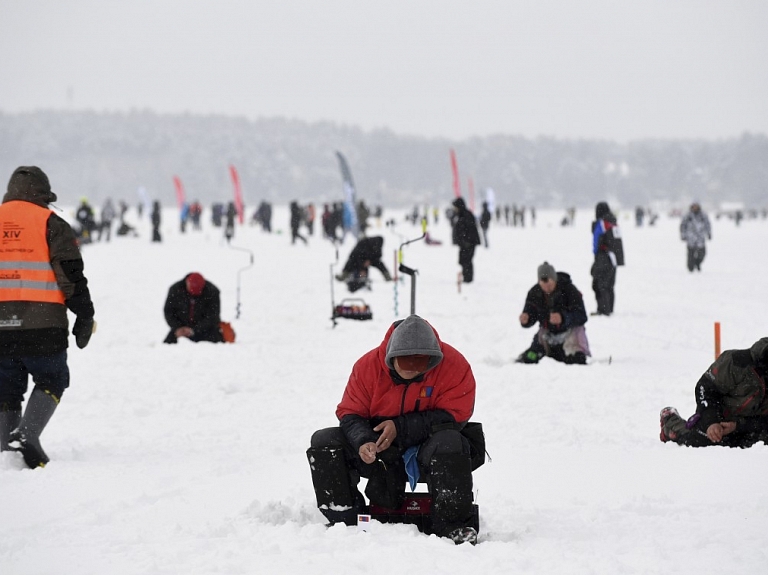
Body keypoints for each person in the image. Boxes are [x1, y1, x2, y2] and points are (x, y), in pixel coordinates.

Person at [307, 315, 480, 545]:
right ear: (391, 359)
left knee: (451, 442)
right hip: (378, 450)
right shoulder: (367, 367)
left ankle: (453, 526)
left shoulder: (454, 365)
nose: (415, 371)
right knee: (324, 441)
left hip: (427, 446)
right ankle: (343, 520)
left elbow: (456, 415)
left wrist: (400, 428)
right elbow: (350, 412)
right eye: (407, 363)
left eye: (423, 364)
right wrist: (363, 441)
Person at [0, 166, 96, 469]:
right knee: (52, 378)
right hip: (43, 324)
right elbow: (71, 275)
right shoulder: (51, 223)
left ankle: (6, 451)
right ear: (43, 192)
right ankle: (27, 435)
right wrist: (84, 313)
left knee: (6, 389)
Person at [660, 338, 768, 448]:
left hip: (749, 426)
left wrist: (738, 426)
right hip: (719, 420)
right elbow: (705, 388)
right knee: (698, 444)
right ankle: (671, 423)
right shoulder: (736, 362)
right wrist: (711, 421)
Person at [516, 262, 590, 365]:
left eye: (549, 284)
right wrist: (526, 318)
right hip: (547, 335)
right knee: (529, 358)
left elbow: (582, 316)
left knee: (576, 360)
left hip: (570, 335)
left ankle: (573, 355)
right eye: (543, 285)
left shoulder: (569, 290)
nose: (547, 288)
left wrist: (563, 318)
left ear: (554, 279)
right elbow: (530, 313)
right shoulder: (534, 293)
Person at [163, 272, 224, 344]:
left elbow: (213, 315)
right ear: (187, 283)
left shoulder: (212, 291)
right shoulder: (175, 290)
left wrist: (195, 330)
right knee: (167, 346)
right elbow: (169, 311)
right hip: (181, 328)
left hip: (206, 329)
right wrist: (178, 327)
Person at [590, 201, 625, 316]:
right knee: (609, 285)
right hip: (614, 258)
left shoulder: (602, 223)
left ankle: (603, 310)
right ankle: (609, 308)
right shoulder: (614, 223)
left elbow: (596, 241)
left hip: (603, 256)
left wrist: (596, 255)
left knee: (600, 284)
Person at [450, 197, 481, 283]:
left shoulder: (466, 215)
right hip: (463, 243)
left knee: (467, 260)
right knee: (463, 260)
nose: (454, 209)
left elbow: (471, 229)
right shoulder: (460, 215)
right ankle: (466, 276)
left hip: (469, 243)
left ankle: (468, 279)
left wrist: (467, 241)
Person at [679, 202, 712, 272]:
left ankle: (697, 263)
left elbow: (707, 225)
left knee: (702, 254)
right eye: (694, 206)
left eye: (696, 206)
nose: (695, 208)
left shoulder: (703, 215)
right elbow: (683, 226)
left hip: (700, 238)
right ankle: (691, 266)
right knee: (690, 255)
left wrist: (708, 233)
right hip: (690, 238)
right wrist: (683, 235)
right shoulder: (687, 216)